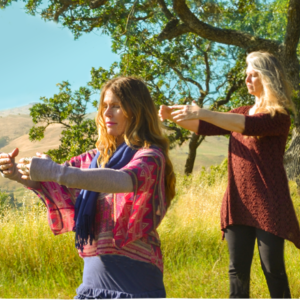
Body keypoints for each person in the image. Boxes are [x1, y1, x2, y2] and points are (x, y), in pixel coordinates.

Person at [0, 76, 176, 298]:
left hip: (134, 281)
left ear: (137, 111)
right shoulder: (94, 158)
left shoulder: (151, 156)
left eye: (116, 106)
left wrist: (54, 171)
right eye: (104, 106)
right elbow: (53, 183)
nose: (107, 113)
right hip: (92, 282)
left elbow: (123, 180)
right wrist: (17, 173)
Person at [159, 51, 300, 298]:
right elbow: (204, 126)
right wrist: (176, 116)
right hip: (238, 201)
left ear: (267, 77)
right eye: (246, 74)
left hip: (269, 202)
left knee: (273, 268)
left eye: (253, 75)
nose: (246, 79)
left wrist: (202, 111)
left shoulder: (279, 116)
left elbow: (246, 125)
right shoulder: (240, 110)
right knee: (237, 271)